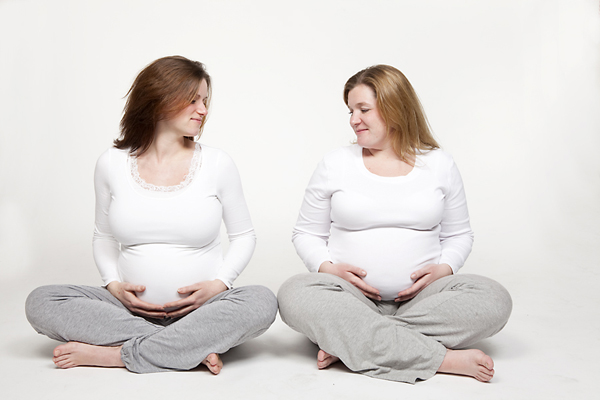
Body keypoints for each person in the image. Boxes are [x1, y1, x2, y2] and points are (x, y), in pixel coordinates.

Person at [25, 56, 277, 374]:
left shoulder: (217, 164)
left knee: (262, 301)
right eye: (192, 100)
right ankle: (184, 348)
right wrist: (113, 284)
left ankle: (119, 355)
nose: (203, 109)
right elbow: (102, 235)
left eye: (205, 100)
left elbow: (244, 236)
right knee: (41, 301)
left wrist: (220, 285)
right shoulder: (111, 164)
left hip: (204, 309)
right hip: (127, 310)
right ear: (157, 101)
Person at [277, 65, 512, 383]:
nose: (353, 119)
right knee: (294, 294)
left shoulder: (439, 164)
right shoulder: (335, 164)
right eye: (350, 110)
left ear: (395, 107)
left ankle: (351, 341)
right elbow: (306, 233)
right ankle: (441, 359)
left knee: (494, 298)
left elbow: (459, 234)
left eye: (363, 109)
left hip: (424, 299)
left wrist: (445, 269)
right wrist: (328, 269)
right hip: (349, 296)